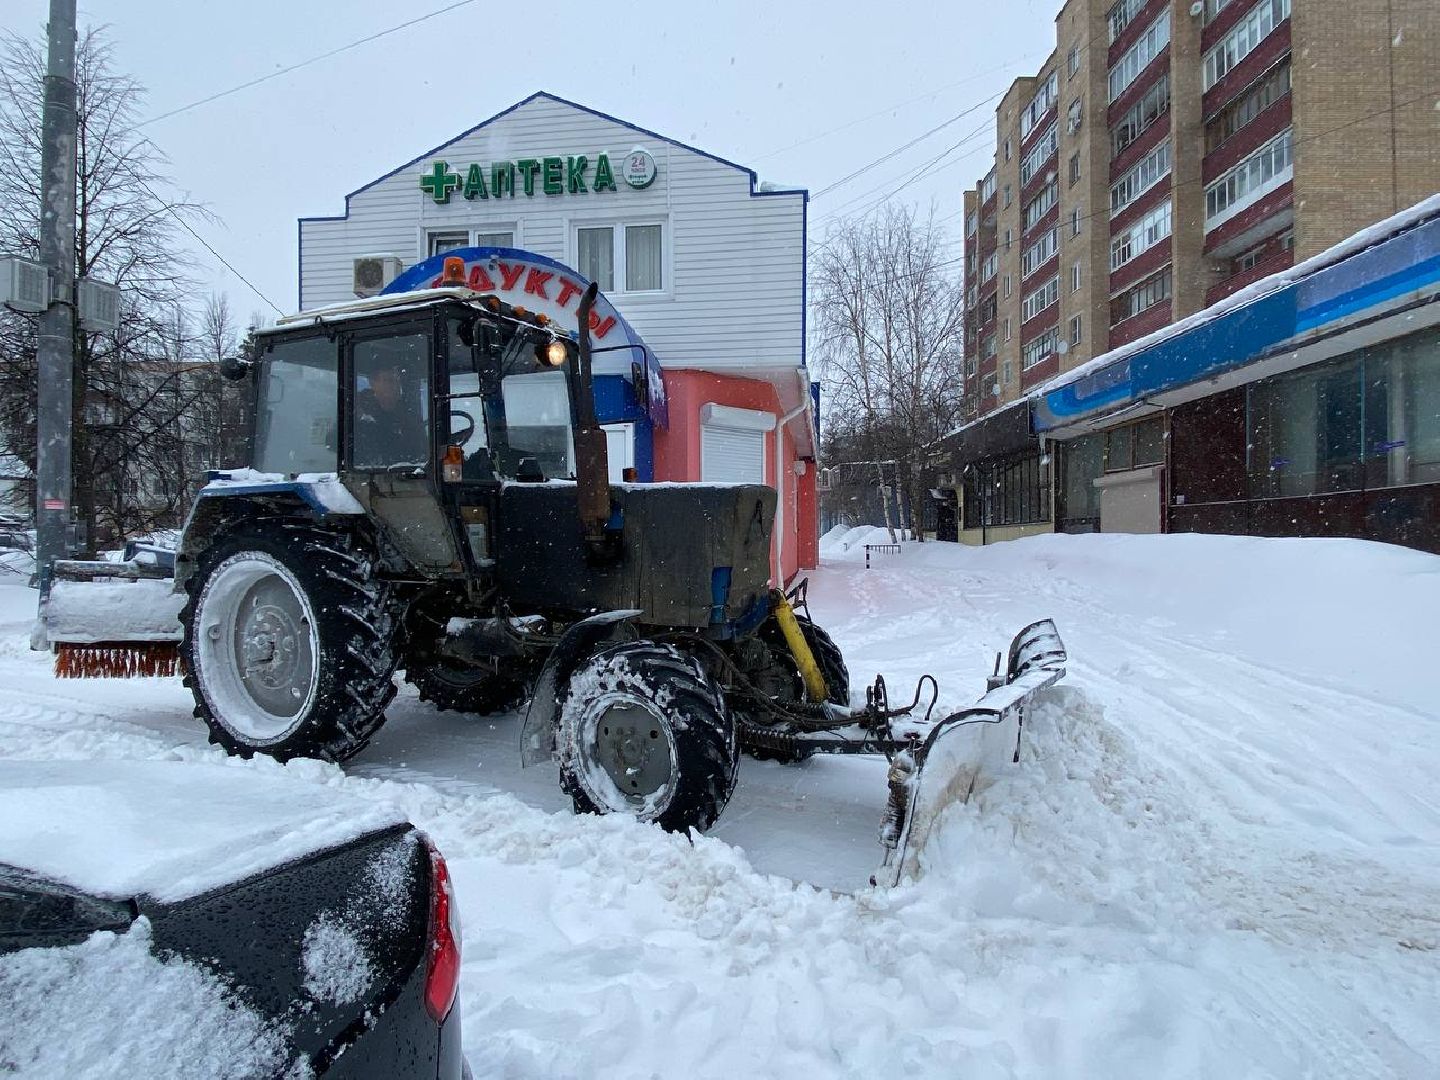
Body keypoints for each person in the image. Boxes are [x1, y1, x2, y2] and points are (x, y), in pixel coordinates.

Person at [355, 361, 425, 467]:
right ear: (373, 383)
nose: (395, 386)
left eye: (398, 381)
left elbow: (423, 451)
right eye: (389, 380)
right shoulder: (358, 412)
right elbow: (334, 445)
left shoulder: (409, 417)